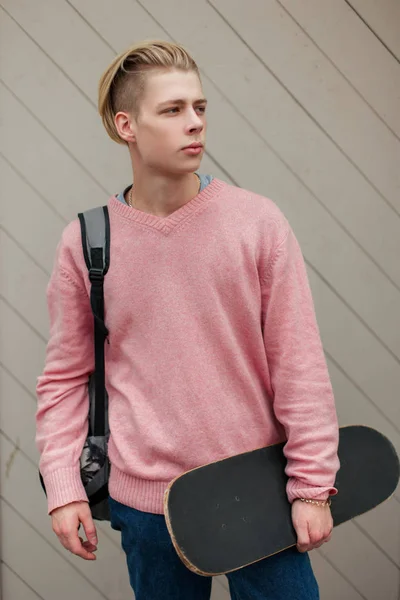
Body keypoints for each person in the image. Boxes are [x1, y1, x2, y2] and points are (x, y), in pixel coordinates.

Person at [36, 40, 340, 600]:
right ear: (127, 125)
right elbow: (64, 380)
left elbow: (299, 366)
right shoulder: (87, 242)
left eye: (199, 108)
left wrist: (313, 488)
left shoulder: (257, 223)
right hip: (149, 509)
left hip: (260, 495)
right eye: (172, 110)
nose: (194, 123)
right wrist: (64, 488)